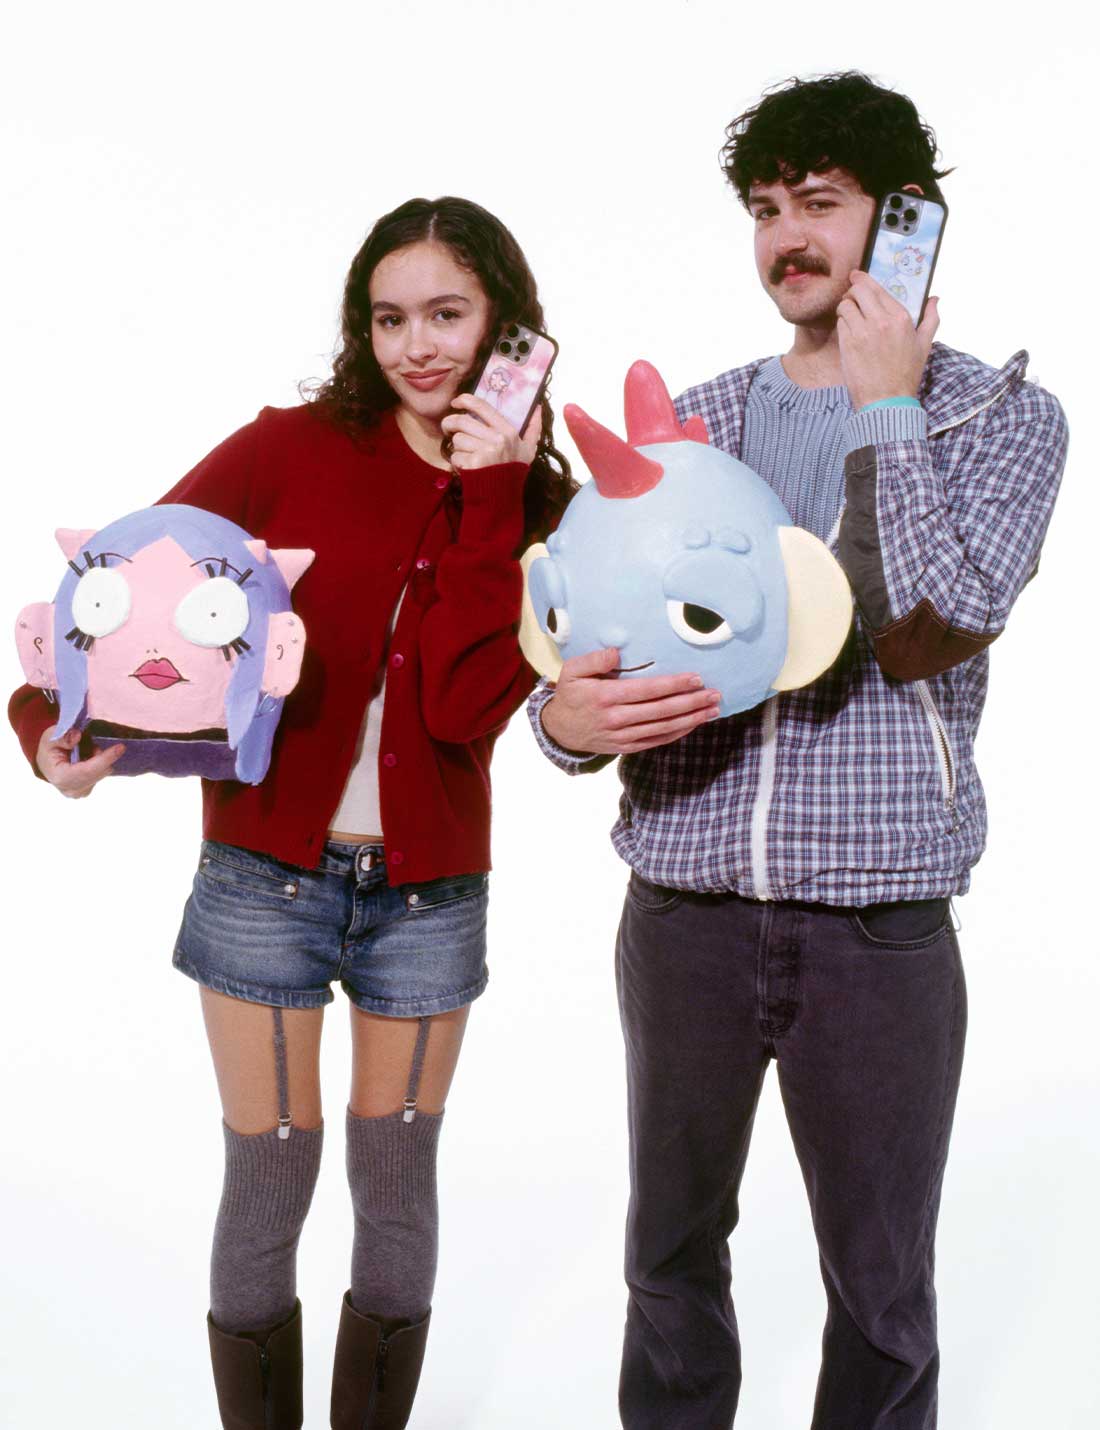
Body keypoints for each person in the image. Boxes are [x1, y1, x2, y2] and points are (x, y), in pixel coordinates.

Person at [528, 72, 1068, 1430]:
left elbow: (930, 626)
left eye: (818, 204)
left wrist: (888, 409)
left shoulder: (1004, 416)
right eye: (765, 210)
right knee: (666, 1258)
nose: (785, 239)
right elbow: (588, 629)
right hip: (684, 916)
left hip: (877, 930)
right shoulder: (694, 424)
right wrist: (560, 724)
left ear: (902, 221)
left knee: (880, 1290)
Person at [9, 195, 573, 1430]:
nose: (415, 345)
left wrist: (491, 492)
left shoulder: (536, 508)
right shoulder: (287, 448)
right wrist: (54, 721)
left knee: (397, 1188)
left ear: (503, 327)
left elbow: (463, 709)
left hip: (427, 895)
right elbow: (131, 584)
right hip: (263, 877)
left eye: (446, 314)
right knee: (268, 1181)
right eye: (388, 317)